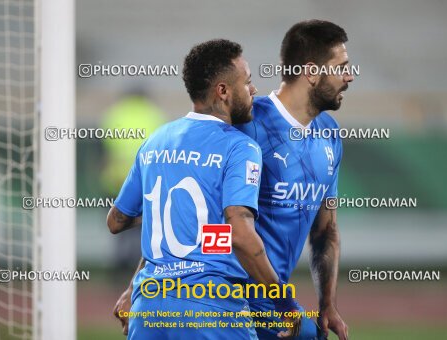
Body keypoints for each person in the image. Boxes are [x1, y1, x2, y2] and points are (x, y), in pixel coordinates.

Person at [107, 39, 301, 340]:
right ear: (223, 91)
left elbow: (116, 221)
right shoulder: (239, 147)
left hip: (149, 305)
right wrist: (287, 306)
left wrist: (133, 287)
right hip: (209, 305)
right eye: (247, 82)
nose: (254, 91)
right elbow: (241, 235)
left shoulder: (156, 141)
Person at [235, 20, 354, 340]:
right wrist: (144, 280)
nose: (350, 76)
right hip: (227, 304)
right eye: (342, 67)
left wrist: (327, 304)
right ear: (312, 72)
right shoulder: (247, 124)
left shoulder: (329, 135)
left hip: (277, 307)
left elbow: (325, 230)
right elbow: (198, 211)